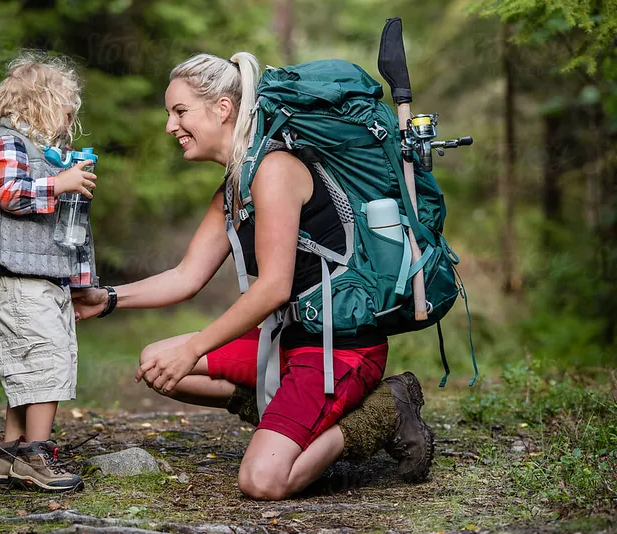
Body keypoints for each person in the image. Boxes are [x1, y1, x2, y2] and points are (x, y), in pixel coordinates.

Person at [73, 52, 434, 500]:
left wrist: (194, 346)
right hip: (290, 343)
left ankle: (385, 409)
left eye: (180, 111)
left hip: (339, 351)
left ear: (222, 109)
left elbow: (273, 287)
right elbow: (187, 275)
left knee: (263, 482)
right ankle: (288, 414)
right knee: (157, 363)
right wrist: (107, 298)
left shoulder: (275, 171)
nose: (170, 126)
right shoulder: (235, 186)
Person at [0, 52, 98, 492]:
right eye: (65, 107)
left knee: (32, 368)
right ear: (38, 103)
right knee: (43, 366)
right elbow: (10, 194)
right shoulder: (8, 144)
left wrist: (79, 287)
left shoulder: (46, 156)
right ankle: (36, 455)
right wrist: (59, 184)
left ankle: (7, 455)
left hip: (44, 282)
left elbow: (68, 233)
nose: (69, 118)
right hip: (20, 282)